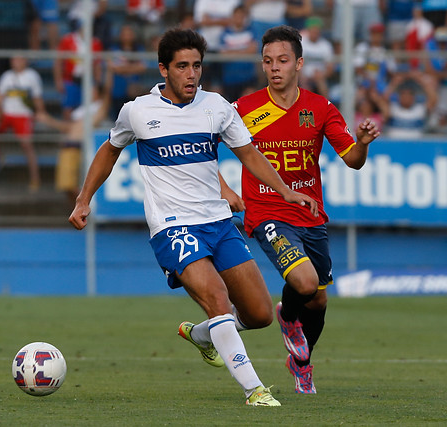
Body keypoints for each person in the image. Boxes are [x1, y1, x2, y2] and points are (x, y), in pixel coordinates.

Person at [68, 28, 319, 406]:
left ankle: (202, 335)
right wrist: (84, 198)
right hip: (173, 227)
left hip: (217, 223)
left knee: (260, 313)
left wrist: (284, 190)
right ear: (163, 70)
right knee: (217, 297)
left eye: (197, 66)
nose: (191, 74)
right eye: (182, 67)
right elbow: (109, 150)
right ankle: (256, 390)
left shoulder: (217, 107)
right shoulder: (138, 111)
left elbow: (249, 155)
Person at [229, 25, 379, 394]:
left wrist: (361, 144)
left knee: (320, 298)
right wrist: (226, 189)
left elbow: (353, 161)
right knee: (306, 283)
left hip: (310, 215)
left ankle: (301, 361)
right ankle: (287, 314)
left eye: (282, 60)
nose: (274, 68)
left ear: (299, 63)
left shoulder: (320, 108)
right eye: (267, 61)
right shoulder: (243, 109)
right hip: (266, 212)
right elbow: (204, 151)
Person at [36, 64, 113, 207]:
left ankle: (84, 210)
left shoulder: (99, 109)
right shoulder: (83, 110)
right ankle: (80, 211)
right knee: (66, 185)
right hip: (68, 146)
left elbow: (107, 93)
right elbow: (69, 127)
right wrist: (49, 120)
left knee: (73, 185)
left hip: (78, 147)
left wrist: (109, 72)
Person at [0, 55, 45, 192]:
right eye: (13, 60)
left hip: (23, 114)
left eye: (18, 59)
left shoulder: (32, 76)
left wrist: (41, 112)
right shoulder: (6, 76)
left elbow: (37, 97)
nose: (15, 62)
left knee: (26, 144)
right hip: (7, 114)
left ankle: (35, 177)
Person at [54, 17, 104, 121]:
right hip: (70, 79)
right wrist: (58, 80)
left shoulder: (95, 43)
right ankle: (69, 132)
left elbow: (97, 65)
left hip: (87, 80)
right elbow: (58, 62)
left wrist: (97, 84)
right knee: (68, 108)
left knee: (88, 108)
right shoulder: (67, 40)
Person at [218, 5, 258, 103]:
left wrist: (232, 52)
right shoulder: (225, 33)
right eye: (237, 16)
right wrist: (244, 51)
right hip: (229, 78)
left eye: (242, 16)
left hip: (248, 77)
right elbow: (223, 54)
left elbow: (253, 49)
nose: (239, 19)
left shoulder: (251, 31)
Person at [300, 16, 333, 98]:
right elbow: (296, 64)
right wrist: (303, 76)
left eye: (317, 29)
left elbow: (330, 68)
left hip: (320, 76)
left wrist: (322, 74)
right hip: (304, 76)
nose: (315, 32)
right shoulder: (301, 43)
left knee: (321, 84)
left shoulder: (326, 45)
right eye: (313, 29)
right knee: (304, 85)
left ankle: (326, 108)